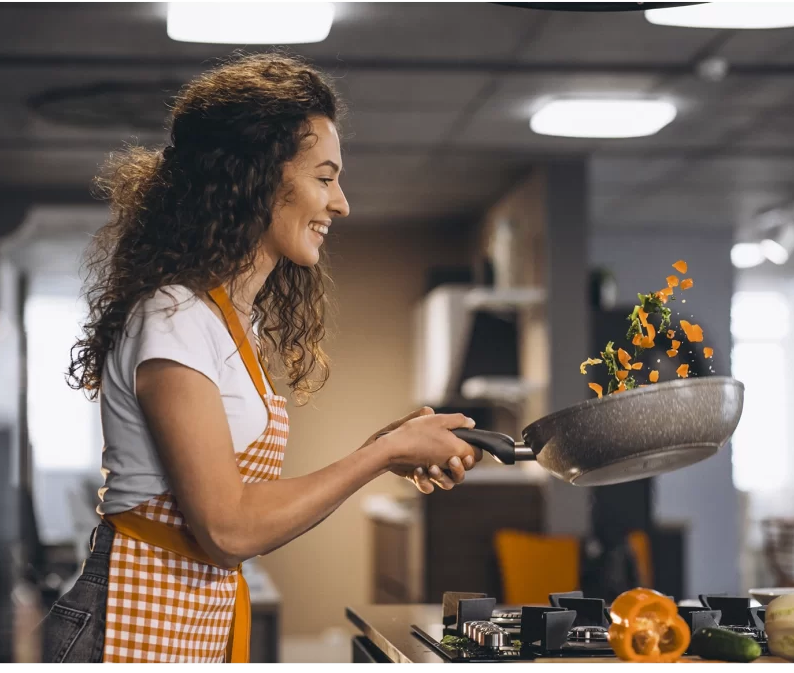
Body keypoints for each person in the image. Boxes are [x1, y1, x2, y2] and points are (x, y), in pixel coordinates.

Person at [39, 52, 483, 665]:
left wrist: (391, 448)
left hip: (186, 626)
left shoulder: (225, 320)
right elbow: (228, 530)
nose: (342, 204)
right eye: (324, 178)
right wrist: (382, 452)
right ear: (254, 178)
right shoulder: (174, 317)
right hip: (124, 628)